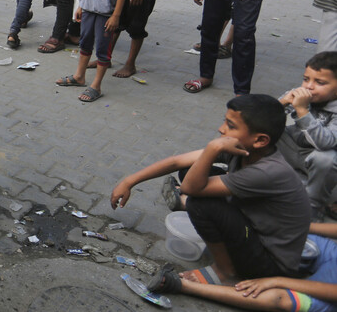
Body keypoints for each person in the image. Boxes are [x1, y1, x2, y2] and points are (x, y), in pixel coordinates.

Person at [112, 94, 311, 284]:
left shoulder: (268, 171)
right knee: (192, 170)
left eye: (230, 126)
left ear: (260, 140)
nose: (221, 129)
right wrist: (130, 180)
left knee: (199, 202)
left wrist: (212, 149)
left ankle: (225, 272)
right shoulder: (245, 150)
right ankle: (199, 214)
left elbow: (191, 188)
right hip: (256, 228)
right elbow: (177, 161)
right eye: (225, 121)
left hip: (270, 264)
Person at [145, 221, 337, 311]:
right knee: (278, 233)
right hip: (332, 256)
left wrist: (276, 281)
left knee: (279, 298)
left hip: (331, 296)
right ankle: (229, 272)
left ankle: (181, 285)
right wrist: (298, 227)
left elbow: (331, 292)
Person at [278, 51, 337, 218]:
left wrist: (302, 111)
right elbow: (261, 118)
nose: (309, 86)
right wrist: (281, 104)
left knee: (327, 158)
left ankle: (312, 207)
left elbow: (324, 143)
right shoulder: (298, 94)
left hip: (315, 158)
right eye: (306, 79)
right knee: (263, 128)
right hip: (291, 148)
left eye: (319, 82)